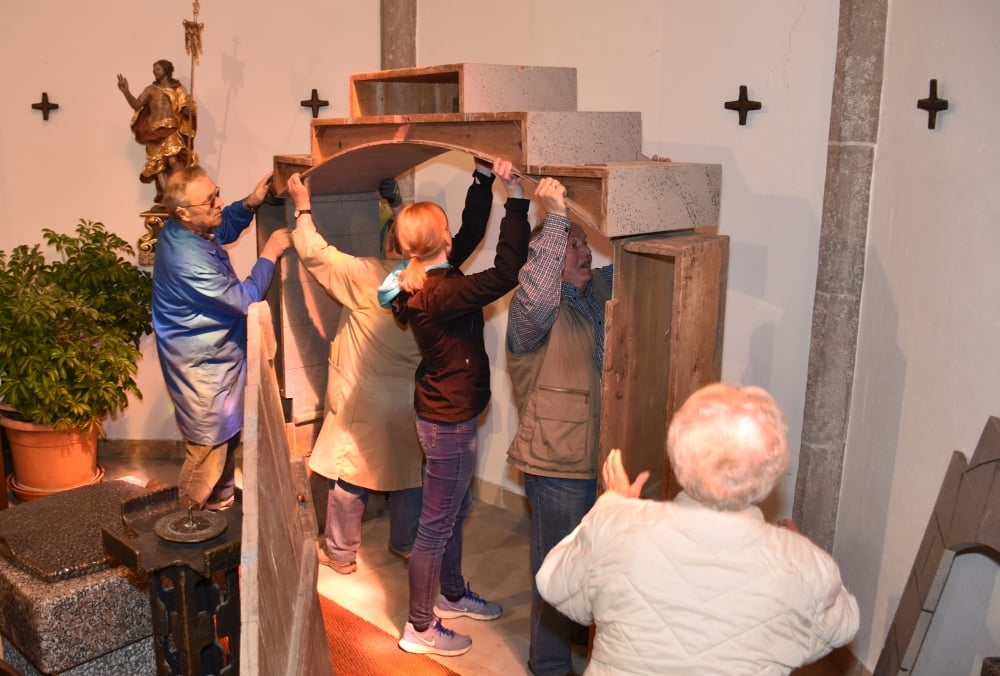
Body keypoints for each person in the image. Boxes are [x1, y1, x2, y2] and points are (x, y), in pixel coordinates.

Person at [536, 383, 860, 675]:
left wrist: (611, 506)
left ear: (678, 455)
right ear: (772, 470)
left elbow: (553, 582)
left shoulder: (618, 526)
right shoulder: (803, 564)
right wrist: (800, 553)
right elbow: (840, 627)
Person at [285, 159, 501, 575]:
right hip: (412, 397)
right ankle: (405, 543)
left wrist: (302, 205)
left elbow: (314, 252)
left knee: (350, 475)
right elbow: (463, 234)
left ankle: (341, 553)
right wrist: (401, 202)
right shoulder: (438, 277)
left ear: (395, 243)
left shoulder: (368, 275)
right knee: (407, 475)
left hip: (363, 399)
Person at [377, 159, 529, 658]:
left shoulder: (425, 277)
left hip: (442, 412)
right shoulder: (441, 293)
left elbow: (469, 232)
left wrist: (483, 180)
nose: (454, 235)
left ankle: (453, 593)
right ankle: (420, 626)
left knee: (453, 510)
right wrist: (518, 199)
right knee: (436, 525)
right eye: (447, 228)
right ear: (437, 240)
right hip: (449, 421)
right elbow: (506, 272)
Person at [505, 177, 612, 676]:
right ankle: (548, 665)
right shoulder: (531, 313)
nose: (585, 251)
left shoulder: (598, 292)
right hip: (557, 463)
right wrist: (555, 220)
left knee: (594, 564)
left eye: (584, 242)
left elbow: (639, 260)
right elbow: (540, 294)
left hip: (603, 456)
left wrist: (650, 200)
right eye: (573, 245)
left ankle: (578, 640)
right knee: (555, 566)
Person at [154, 165, 292, 511]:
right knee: (208, 449)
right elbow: (244, 300)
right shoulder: (186, 260)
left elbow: (221, 227)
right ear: (183, 212)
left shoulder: (188, 227)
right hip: (202, 366)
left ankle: (220, 504)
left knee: (228, 435)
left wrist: (249, 203)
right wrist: (270, 253)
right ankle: (186, 519)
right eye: (210, 200)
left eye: (216, 193)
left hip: (220, 357)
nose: (218, 202)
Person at [117, 59, 198, 205]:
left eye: (158, 69)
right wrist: (125, 91)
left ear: (166, 70)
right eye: (154, 69)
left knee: (174, 160)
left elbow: (184, 106)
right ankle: (168, 198)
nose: (155, 72)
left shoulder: (178, 89)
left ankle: (179, 191)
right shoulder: (150, 90)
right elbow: (137, 104)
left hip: (172, 129)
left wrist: (189, 110)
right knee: (158, 165)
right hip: (154, 132)